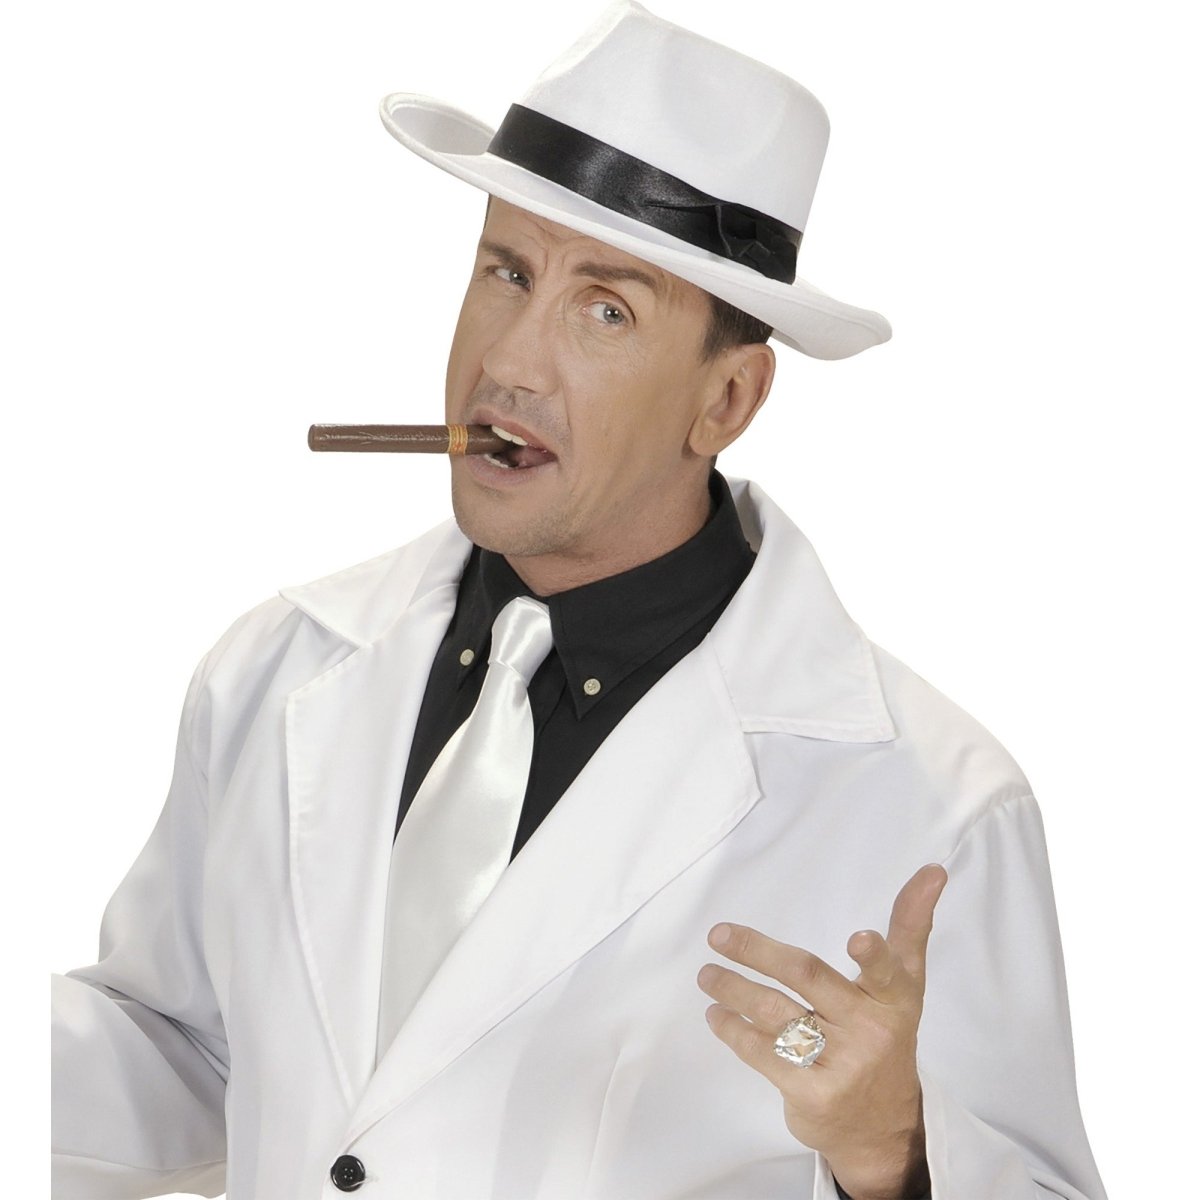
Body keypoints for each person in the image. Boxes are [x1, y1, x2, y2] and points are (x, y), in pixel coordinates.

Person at [51, 3, 1107, 1198]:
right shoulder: (276, 668)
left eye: (606, 309)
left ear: (727, 401)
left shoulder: (932, 807)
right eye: (506, 272)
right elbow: (188, 1052)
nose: (509, 361)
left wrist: (892, 1156)